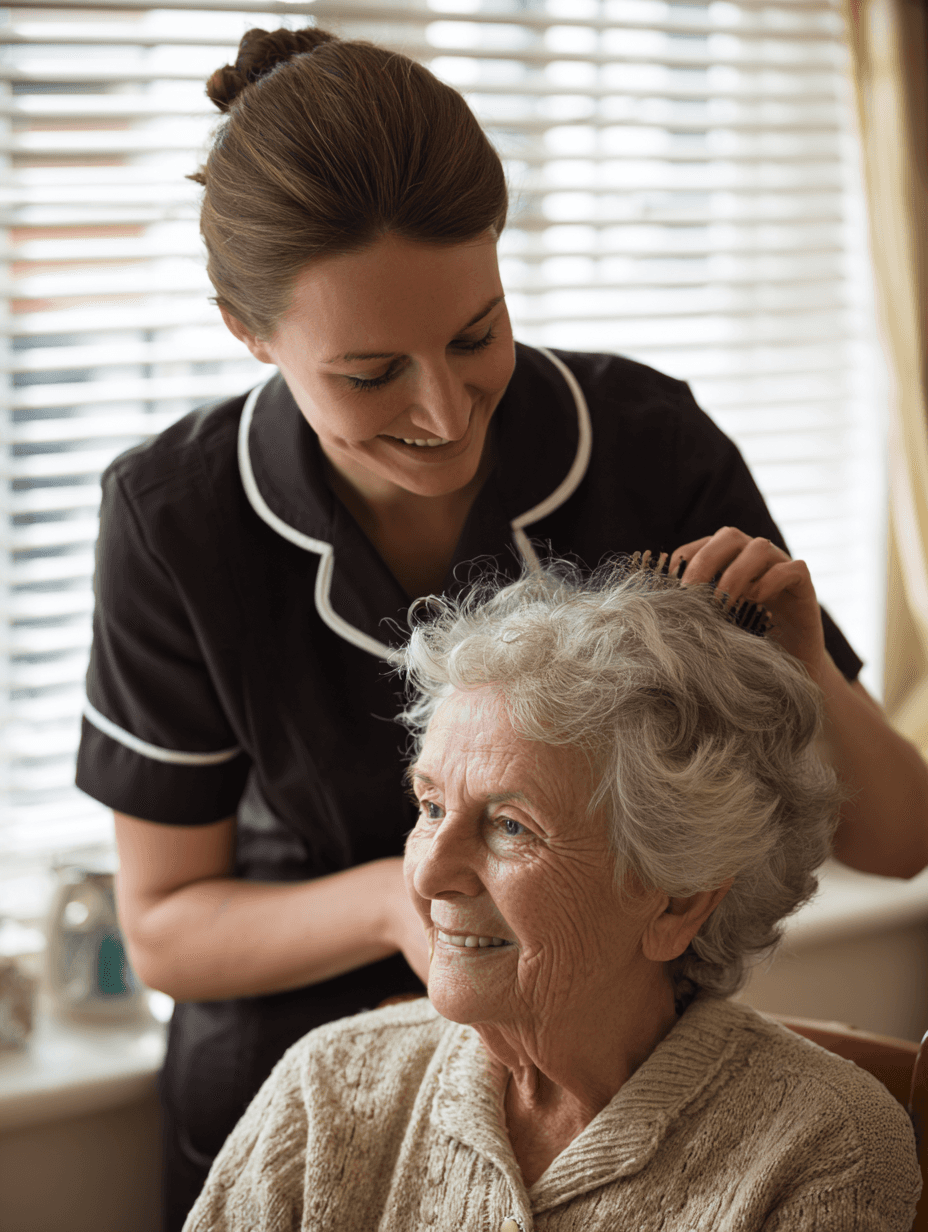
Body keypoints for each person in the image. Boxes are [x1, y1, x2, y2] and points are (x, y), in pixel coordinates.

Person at [73, 23, 928, 1232]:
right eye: (371, 373)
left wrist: (803, 670)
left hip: (621, 1102)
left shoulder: (644, 443)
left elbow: (896, 839)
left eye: (476, 334)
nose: (442, 410)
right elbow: (164, 926)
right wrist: (405, 900)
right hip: (310, 1106)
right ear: (247, 330)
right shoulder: (177, 517)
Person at [181, 564, 921, 1232]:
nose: (430, 876)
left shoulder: (825, 1148)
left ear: (678, 904)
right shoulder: (327, 1087)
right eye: (431, 807)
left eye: (510, 826)